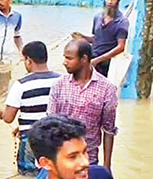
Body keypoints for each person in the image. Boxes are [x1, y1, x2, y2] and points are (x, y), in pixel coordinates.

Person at [47, 39, 119, 169]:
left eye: (69, 58)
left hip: (88, 161)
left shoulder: (107, 89)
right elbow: (50, 124)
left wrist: (107, 166)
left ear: (84, 59)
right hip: (61, 159)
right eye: (64, 58)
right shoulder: (58, 85)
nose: (64, 62)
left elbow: (108, 130)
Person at [0, 41, 61, 175]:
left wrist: (1, 114)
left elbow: (8, 117)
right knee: (53, 176)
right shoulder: (61, 81)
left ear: (28, 60)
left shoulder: (21, 84)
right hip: (56, 138)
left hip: (31, 139)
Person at [73, 0, 129, 77]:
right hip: (92, 58)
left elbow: (121, 47)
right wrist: (82, 37)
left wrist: (98, 60)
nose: (110, 2)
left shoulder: (122, 22)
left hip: (108, 63)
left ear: (118, 1)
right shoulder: (97, 17)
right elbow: (96, 39)